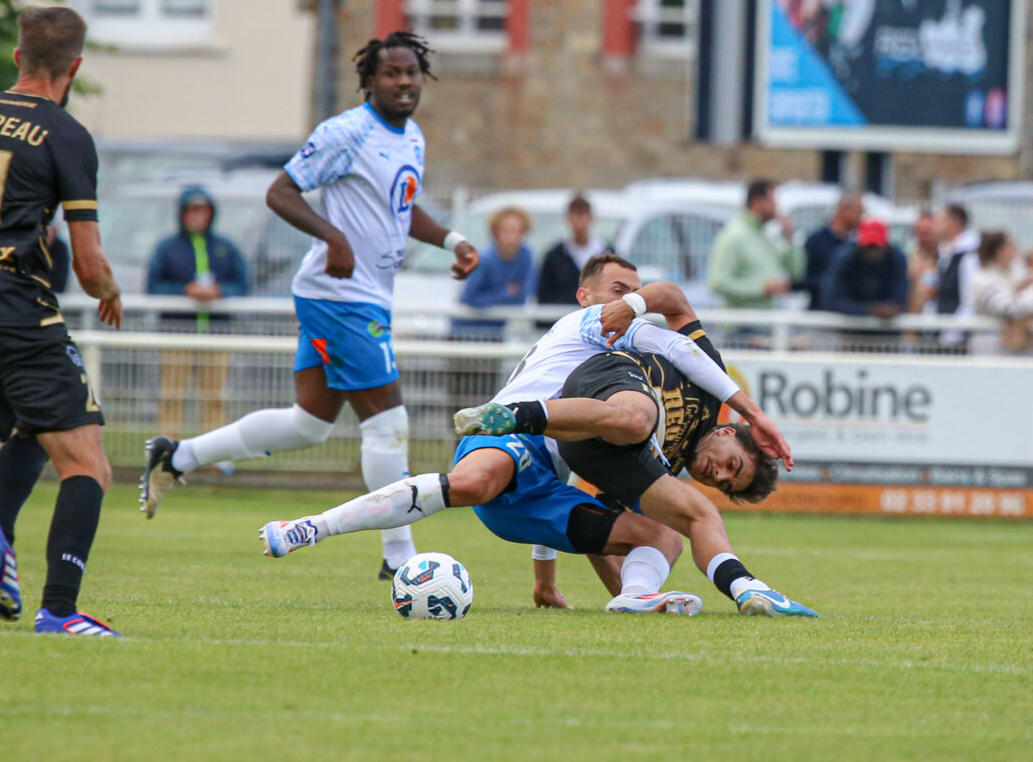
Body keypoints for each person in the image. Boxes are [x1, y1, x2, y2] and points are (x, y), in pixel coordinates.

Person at [258, 256, 803, 615]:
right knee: (478, 482)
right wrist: (751, 409)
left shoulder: (625, 355)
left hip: (545, 476)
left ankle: (643, 595)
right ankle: (312, 527)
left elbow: (586, 480)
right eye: (618, 290)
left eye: (633, 292)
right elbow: (680, 335)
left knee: (662, 535)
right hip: (508, 438)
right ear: (585, 294)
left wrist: (550, 581)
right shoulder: (587, 323)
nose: (626, 299)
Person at [140, 31, 481, 583]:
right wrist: (334, 237)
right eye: (391, 73)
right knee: (389, 424)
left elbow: (402, 207)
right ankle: (399, 558)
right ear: (368, 81)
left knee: (308, 425)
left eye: (411, 73)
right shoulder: (346, 132)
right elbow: (281, 192)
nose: (403, 82)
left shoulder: (411, 136)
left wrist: (452, 241)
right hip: (338, 296)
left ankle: (177, 457)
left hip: (363, 295)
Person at [456, 298, 816, 618]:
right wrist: (635, 303)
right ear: (727, 432)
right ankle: (516, 415)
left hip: (588, 444)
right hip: (607, 379)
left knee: (683, 524)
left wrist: (625, 594)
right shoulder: (712, 390)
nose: (717, 473)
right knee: (638, 422)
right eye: (731, 464)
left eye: (723, 482)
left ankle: (677, 591)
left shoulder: (662, 467)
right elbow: (674, 299)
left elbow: (597, 519)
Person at [0, 6, 124, 636]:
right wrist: (110, 291)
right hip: (10, 303)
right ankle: (59, 610)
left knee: (29, 428)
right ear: (75, 67)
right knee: (88, 462)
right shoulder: (65, 134)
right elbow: (88, 263)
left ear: (15, 58)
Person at [146, 186, 249, 447]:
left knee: (214, 396)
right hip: (176, 332)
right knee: (172, 395)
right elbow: (153, 286)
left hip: (216, 334)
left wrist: (219, 292)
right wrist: (185, 291)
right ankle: (166, 452)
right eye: (192, 210)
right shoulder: (167, 248)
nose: (196, 216)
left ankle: (213, 452)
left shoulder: (225, 247)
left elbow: (242, 284)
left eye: (202, 210)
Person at [708, 179, 805, 311]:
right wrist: (760, 289)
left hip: (770, 324)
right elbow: (718, 283)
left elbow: (796, 273)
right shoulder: (733, 236)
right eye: (772, 201)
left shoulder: (769, 236)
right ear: (757, 203)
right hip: (743, 326)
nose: (776, 206)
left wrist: (789, 238)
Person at [450, 206, 534, 341]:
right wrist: (504, 293)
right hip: (466, 332)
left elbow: (522, 296)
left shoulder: (526, 256)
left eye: (517, 230)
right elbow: (468, 297)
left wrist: (493, 299)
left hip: (496, 333)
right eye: (507, 230)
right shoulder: (483, 259)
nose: (512, 236)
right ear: (496, 232)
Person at [970, 231, 1033, 355]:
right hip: (990, 352)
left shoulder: (1017, 273)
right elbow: (1009, 308)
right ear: (1000, 250)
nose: (1017, 252)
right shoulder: (982, 279)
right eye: (1013, 247)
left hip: (1020, 351)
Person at [819, 218, 908, 319]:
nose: (872, 252)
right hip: (848, 326)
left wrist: (890, 309)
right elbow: (831, 300)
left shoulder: (896, 259)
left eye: (876, 247)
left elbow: (900, 300)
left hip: (887, 329)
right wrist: (869, 310)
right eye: (868, 247)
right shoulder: (845, 258)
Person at [535, 193, 611, 308]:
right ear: (568, 219)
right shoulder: (554, 256)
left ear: (591, 218)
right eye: (575, 215)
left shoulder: (607, 253)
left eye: (582, 215)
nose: (579, 221)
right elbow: (544, 296)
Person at [800, 189, 862, 310]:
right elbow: (804, 278)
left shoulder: (858, 243)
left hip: (851, 316)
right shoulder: (816, 241)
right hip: (821, 315)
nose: (861, 216)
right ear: (844, 209)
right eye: (859, 210)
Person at [935, 203, 979, 345]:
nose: (935, 225)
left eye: (940, 220)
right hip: (943, 333)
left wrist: (951, 335)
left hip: (956, 340)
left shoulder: (969, 257)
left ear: (953, 222)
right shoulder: (946, 254)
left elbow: (969, 301)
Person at [906, 210, 939, 314]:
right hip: (913, 319)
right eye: (920, 232)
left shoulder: (945, 258)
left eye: (928, 232)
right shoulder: (910, 257)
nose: (924, 237)